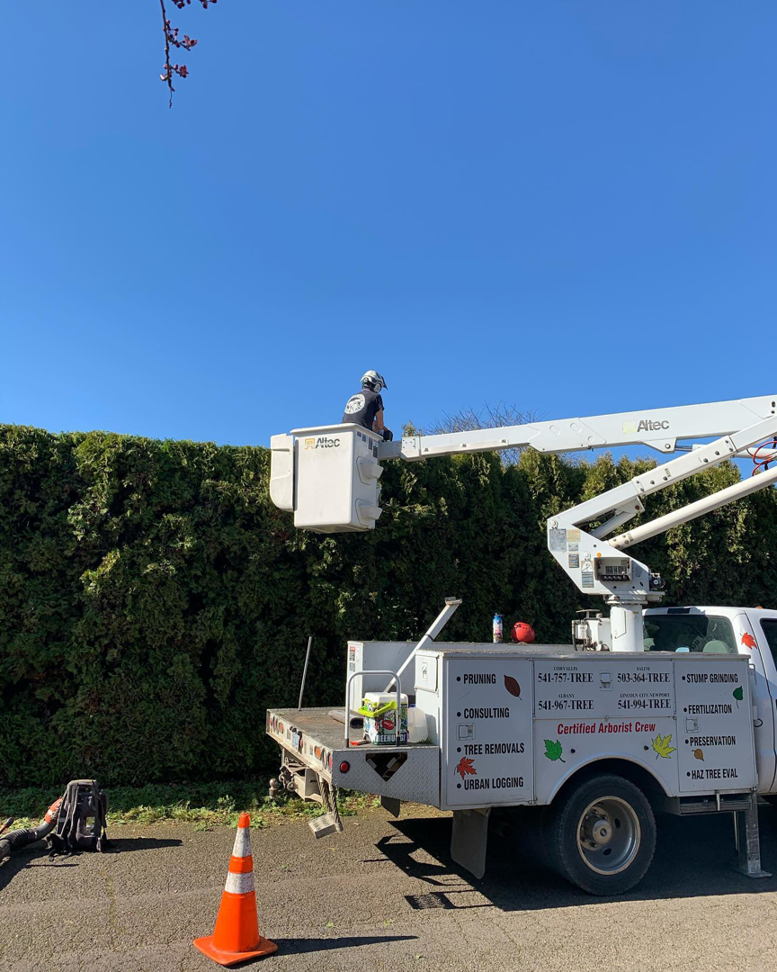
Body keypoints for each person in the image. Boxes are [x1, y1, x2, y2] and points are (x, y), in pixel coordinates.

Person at [342, 371, 393, 440]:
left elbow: (360, 417)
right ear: (377, 385)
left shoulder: (353, 397)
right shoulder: (376, 397)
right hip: (361, 435)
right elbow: (380, 425)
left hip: (344, 433)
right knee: (386, 435)